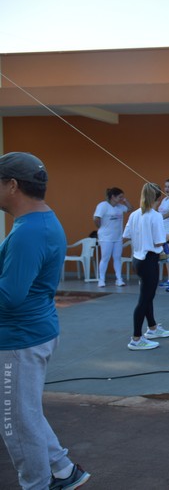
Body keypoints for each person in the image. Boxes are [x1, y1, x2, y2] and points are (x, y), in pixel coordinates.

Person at [0, 152, 91, 489]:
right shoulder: (39, 221)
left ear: (12, 185)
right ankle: (64, 470)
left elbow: (10, 295)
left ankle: (37, 483)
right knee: (24, 413)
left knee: (15, 422)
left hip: (19, 339)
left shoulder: (29, 231)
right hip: (30, 334)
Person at [122, 182, 169, 350]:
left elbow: (127, 235)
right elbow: (159, 240)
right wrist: (166, 236)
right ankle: (136, 339)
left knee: (147, 295)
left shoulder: (135, 214)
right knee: (145, 299)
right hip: (149, 260)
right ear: (157, 198)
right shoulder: (155, 216)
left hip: (137, 260)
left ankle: (152, 328)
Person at [93, 186, 133, 287]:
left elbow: (130, 209)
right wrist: (101, 227)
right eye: (120, 197)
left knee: (117, 258)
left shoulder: (120, 207)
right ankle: (101, 280)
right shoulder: (103, 205)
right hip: (106, 237)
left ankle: (119, 279)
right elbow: (96, 218)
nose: (121, 199)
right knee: (105, 258)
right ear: (113, 197)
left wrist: (125, 200)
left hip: (118, 237)